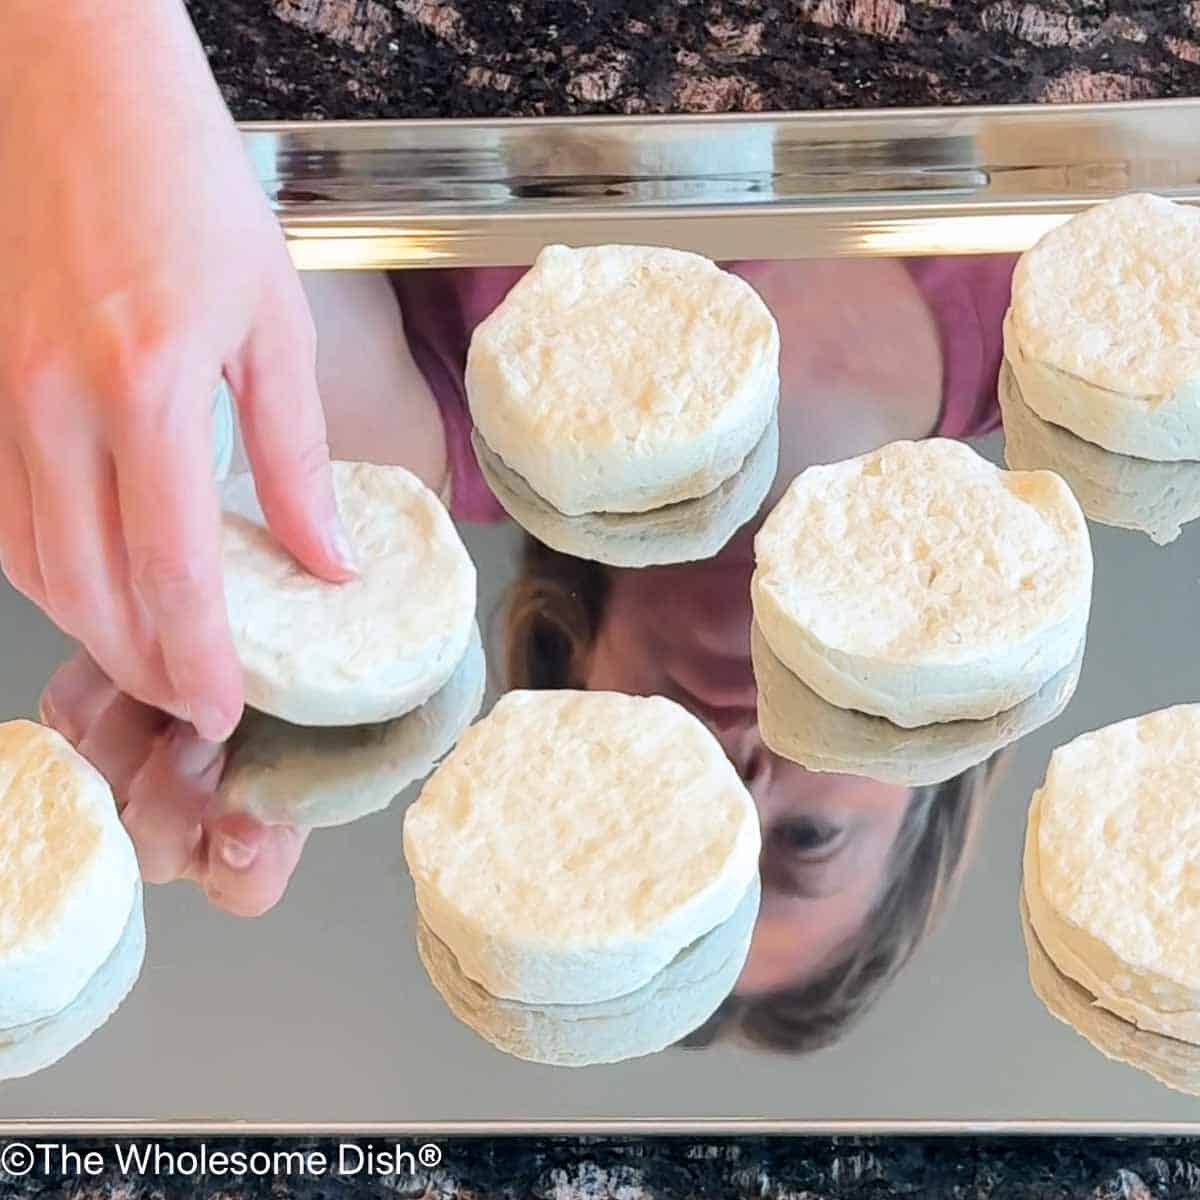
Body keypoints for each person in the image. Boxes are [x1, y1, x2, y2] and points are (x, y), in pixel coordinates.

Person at [38, 249, 1013, 996]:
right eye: (805, 842)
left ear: (567, 709)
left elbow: (217, 195)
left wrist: (243, 593)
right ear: (941, 761)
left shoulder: (403, 435)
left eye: (650, 835)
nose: (730, 787)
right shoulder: (1082, 312)